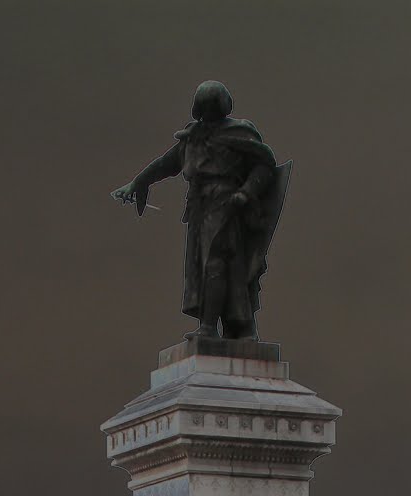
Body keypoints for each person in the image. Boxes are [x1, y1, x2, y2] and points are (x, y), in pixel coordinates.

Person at [112, 81, 286, 341]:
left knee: (216, 263)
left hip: (226, 204)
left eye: (212, 107)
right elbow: (165, 164)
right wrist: (138, 182)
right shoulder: (192, 137)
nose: (208, 114)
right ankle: (231, 328)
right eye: (203, 108)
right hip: (199, 208)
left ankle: (209, 328)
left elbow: (264, 166)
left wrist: (246, 192)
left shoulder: (239, 133)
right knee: (204, 267)